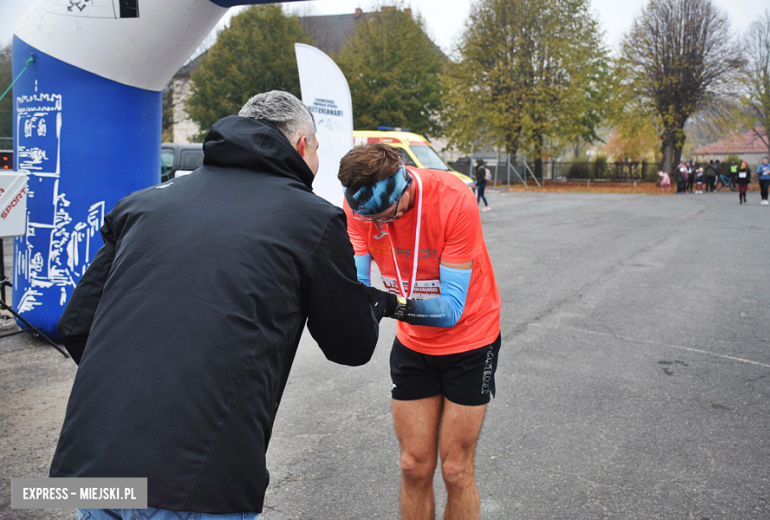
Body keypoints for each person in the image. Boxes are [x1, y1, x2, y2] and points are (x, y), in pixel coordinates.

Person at [49, 91, 390, 519]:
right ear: (302, 145)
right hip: (200, 482)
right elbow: (351, 346)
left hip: (96, 467)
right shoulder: (312, 219)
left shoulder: (142, 204)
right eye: (318, 149)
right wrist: (372, 304)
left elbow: (76, 325)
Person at [337, 143, 501, 520]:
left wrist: (391, 305)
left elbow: (452, 310)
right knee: (413, 465)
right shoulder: (360, 208)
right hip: (414, 345)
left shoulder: (454, 199)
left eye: (384, 216)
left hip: (471, 340)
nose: (377, 226)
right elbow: (359, 288)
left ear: (405, 187)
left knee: (456, 470)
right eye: (369, 219)